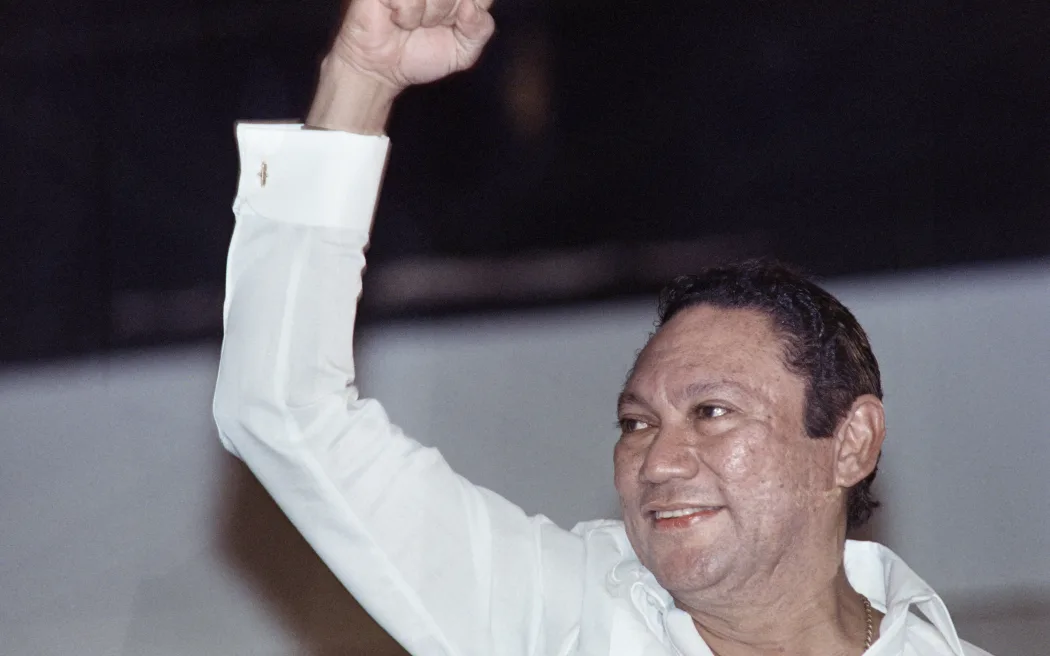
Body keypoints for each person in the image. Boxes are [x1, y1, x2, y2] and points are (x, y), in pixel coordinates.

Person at [212, 1, 994, 654]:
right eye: (635, 423)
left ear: (851, 443)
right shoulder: (567, 613)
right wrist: (360, 79)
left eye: (712, 411)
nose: (657, 460)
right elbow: (281, 408)